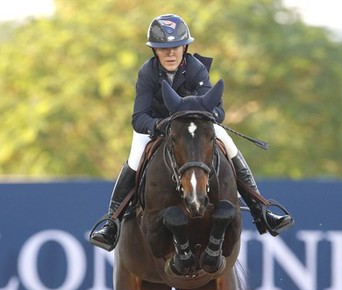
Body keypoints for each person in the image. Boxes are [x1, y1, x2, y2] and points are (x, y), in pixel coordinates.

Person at [89, 13, 293, 251]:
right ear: (154, 50)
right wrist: (158, 126)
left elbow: (217, 109)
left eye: (175, 47)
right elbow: (138, 117)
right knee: (135, 158)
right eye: (163, 49)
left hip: (194, 128)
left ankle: (262, 210)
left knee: (227, 141)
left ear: (184, 46)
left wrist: (208, 117)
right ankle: (112, 223)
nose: (171, 53)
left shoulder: (196, 68)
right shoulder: (147, 72)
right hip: (157, 127)